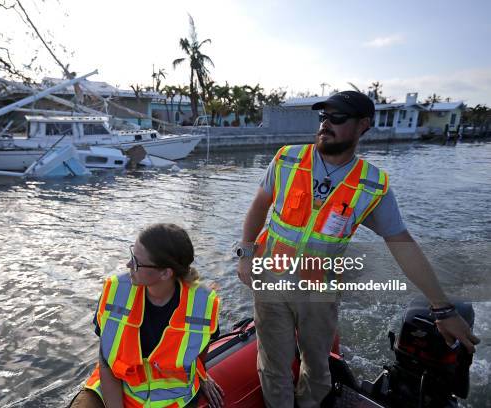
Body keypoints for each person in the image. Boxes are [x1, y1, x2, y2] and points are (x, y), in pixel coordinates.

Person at [234, 91, 480, 408]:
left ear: (363, 125)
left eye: (338, 118)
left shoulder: (371, 185)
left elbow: (403, 245)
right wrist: (245, 254)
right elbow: (258, 208)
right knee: (272, 367)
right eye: (324, 117)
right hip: (270, 280)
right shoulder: (287, 158)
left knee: (318, 370)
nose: (326, 124)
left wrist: (442, 308)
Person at [71, 223, 224, 408]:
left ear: (166, 273)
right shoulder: (116, 292)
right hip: (114, 389)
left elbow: (199, 351)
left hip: (173, 400)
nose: (128, 265)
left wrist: (202, 375)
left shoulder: (204, 305)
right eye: (132, 256)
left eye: (136, 262)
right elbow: (106, 363)